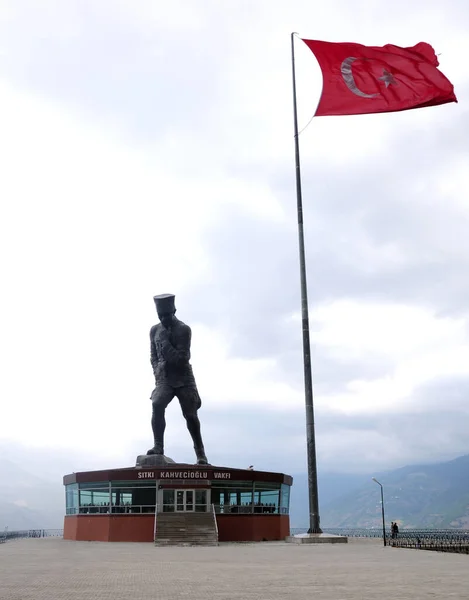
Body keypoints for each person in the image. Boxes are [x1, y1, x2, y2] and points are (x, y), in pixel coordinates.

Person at [146, 294, 208, 465]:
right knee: (157, 404)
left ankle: (200, 453)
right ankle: (158, 446)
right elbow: (153, 355)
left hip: (183, 378)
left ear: (174, 311)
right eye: (161, 316)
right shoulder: (154, 330)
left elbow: (182, 358)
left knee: (190, 415)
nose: (164, 319)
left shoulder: (184, 329)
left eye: (167, 315)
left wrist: (165, 342)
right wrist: (157, 371)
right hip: (164, 378)